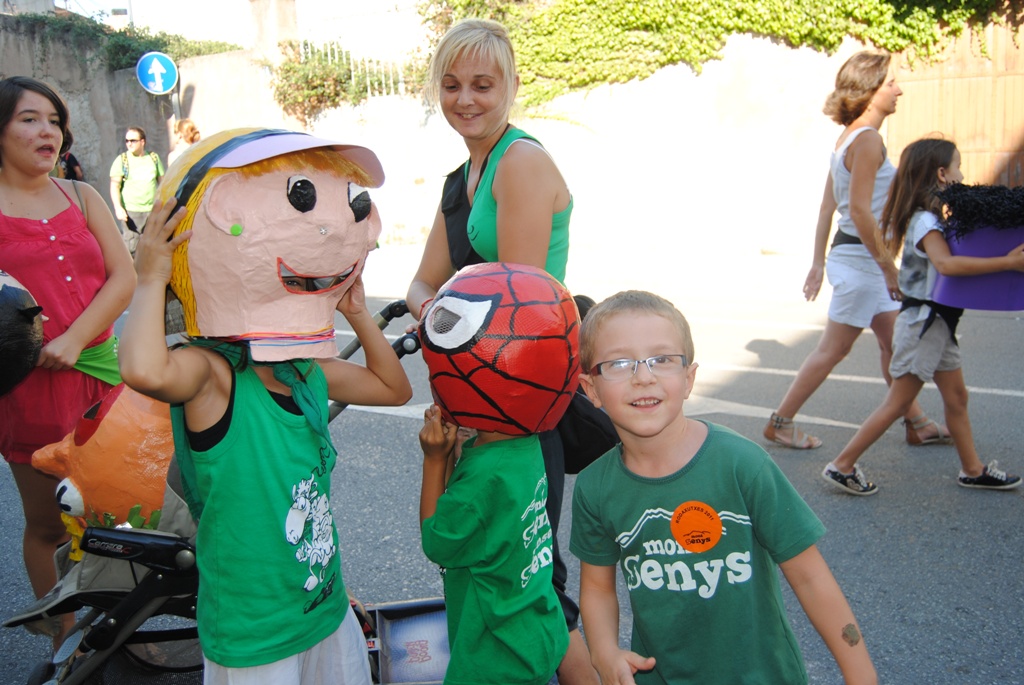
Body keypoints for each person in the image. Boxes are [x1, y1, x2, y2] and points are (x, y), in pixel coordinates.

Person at [119, 196, 412, 682]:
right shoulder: (215, 376)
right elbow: (144, 368)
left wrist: (357, 311)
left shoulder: (306, 372)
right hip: (254, 633)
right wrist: (151, 277)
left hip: (323, 606)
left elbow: (394, 389)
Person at [405, 18, 601, 685]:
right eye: (453, 84)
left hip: (517, 405)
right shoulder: (461, 178)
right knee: (493, 567)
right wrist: (436, 308)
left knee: (531, 574)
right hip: (469, 400)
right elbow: (421, 281)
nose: (466, 99)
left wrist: (441, 313)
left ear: (512, 87)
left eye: (483, 84)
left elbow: (511, 312)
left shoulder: (521, 162)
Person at [570, 290, 878, 685]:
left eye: (662, 360)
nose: (643, 376)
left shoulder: (742, 464)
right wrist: (603, 650)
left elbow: (810, 577)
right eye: (619, 363)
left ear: (689, 378)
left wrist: (860, 674)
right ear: (591, 389)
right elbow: (597, 587)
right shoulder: (595, 486)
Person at [0, 76, 135, 642]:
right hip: (27, 393)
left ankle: (122, 628)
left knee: (122, 514)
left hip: (102, 378)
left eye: (54, 120)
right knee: (49, 523)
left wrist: (76, 339)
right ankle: (66, 637)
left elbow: (124, 277)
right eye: (30, 119)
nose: (47, 131)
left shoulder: (82, 196)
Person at [764, 50, 950, 451]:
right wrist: (887, 268)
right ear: (869, 91)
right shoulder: (867, 141)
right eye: (890, 83)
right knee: (834, 349)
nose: (898, 89)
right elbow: (861, 212)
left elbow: (829, 207)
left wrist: (819, 263)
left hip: (855, 257)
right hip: (864, 261)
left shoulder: (846, 138)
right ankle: (780, 422)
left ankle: (916, 421)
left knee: (890, 343)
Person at [822, 138, 1023, 495]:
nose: (963, 173)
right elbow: (946, 264)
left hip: (938, 325)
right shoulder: (925, 220)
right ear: (942, 174)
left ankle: (973, 470)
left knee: (957, 397)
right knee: (898, 402)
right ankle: (842, 465)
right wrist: (1008, 262)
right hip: (923, 325)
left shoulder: (929, 218)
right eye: (958, 166)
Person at [108, 125, 164, 256]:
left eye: (133, 140)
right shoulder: (122, 160)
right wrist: (118, 208)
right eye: (127, 141)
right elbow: (114, 186)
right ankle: (135, 276)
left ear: (142, 142)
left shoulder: (153, 158)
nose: (129, 144)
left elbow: (163, 182)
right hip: (132, 212)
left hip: (152, 210)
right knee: (133, 248)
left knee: (154, 247)